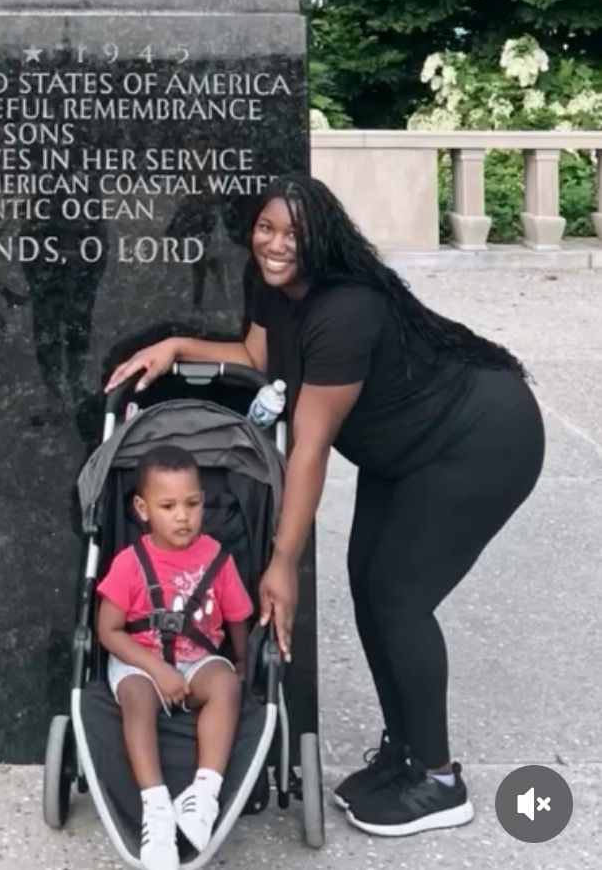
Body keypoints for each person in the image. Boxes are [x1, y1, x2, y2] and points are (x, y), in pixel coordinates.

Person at [104, 174, 545, 839]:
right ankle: (404, 752)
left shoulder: (347, 310)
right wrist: (178, 347)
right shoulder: (271, 283)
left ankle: (438, 780)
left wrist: (282, 560)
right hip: (403, 449)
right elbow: (256, 355)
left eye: (294, 234)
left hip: (479, 440)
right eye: (266, 228)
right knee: (371, 588)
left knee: (398, 597)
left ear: (324, 240)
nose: (276, 244)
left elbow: (310, 447)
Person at [96, 445, 253, 870]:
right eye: (168, 507)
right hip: (140, 660)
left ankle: (203, 793)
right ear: (143, 509)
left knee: (226, 684)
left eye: (192, 504)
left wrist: (241, 662)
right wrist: (158, 669)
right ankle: (157, 807)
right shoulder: (130, 563)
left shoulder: (217, 558)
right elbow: (107, 631)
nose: (183, 516)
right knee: (137, 696)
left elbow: (237, 618)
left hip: (197, 658)